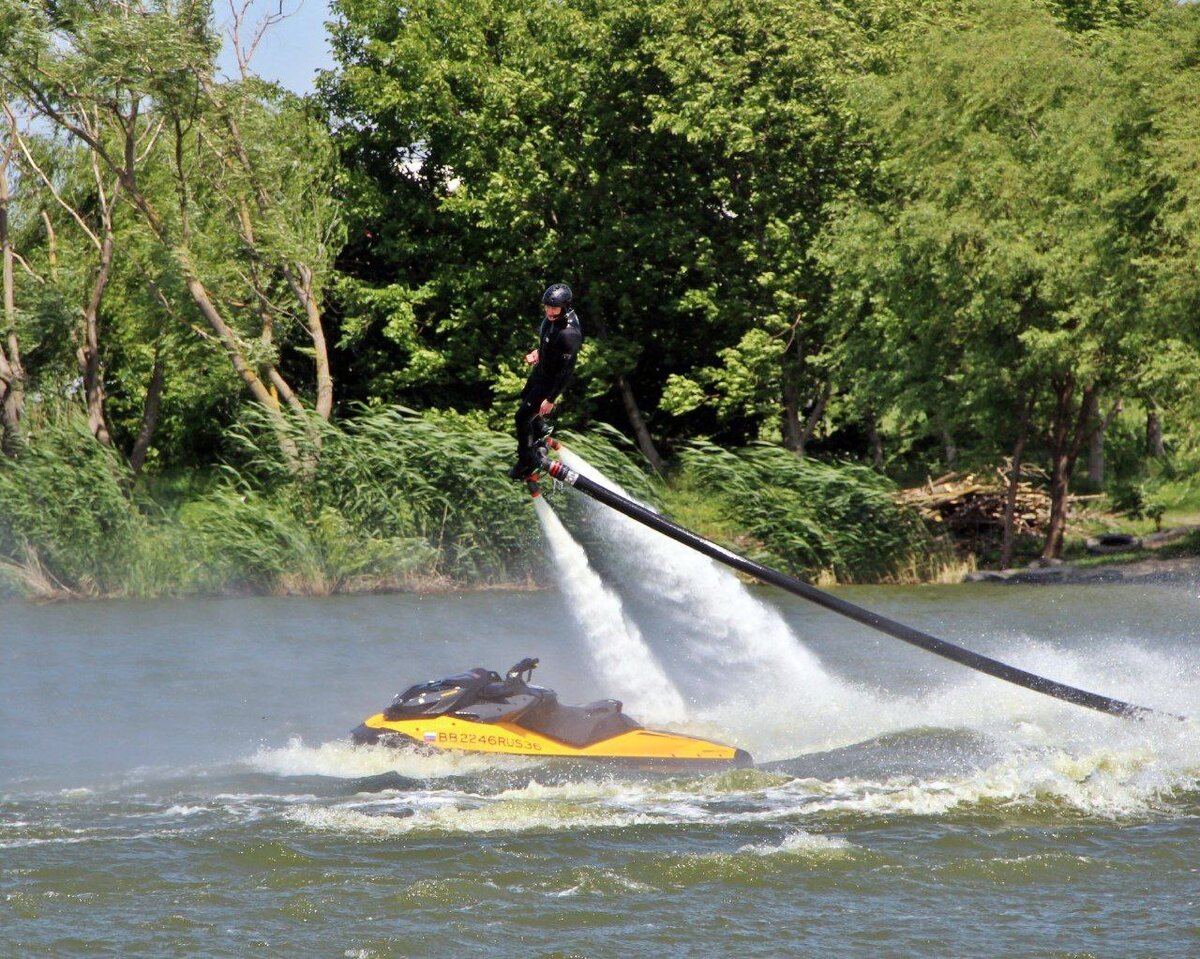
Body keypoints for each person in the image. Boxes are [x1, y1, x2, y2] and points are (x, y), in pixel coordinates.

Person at [509, 282, 583, 480]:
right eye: (547, 307)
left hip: (551, 381)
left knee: (521, 417)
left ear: (564, 307)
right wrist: (537, 353)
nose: (550, 311)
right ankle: (540, 431)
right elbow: (548, 345)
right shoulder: (550, 321)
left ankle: (526, 461)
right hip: (541, 371)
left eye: (554, 308)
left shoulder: (570, 334)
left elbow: (566, 371)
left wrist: (550, 399)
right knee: (525, 397)